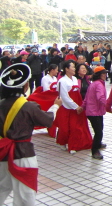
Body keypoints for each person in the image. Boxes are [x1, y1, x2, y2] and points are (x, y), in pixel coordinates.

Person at [0, 63, 62, 206]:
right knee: (25, 192)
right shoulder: (29, 106)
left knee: (2, 187)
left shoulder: (1, 104)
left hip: (3, 152)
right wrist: (56, 106)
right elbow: (47, 120)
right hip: (23, 153)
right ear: (25, 86)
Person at [54, 60, 93, 154]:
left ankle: (74, 145)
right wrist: (75, 106)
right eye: (72, 67)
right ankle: (63, 142)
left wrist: (80, 106)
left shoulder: (75, 79)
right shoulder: (62, 81)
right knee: (65, 128)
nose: (74, 69)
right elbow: (64, 96)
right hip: (67, 107)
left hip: (77, 104)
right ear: (66, 69)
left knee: (76, 127)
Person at [81, 66, 108, 160]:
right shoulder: (99, 85)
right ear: (99, 75)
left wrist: (82, 107)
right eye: (103, 73)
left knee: (100, 129)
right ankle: (95, 150)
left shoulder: (93, 84)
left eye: (105, 73)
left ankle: (98, 143)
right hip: (94, 111)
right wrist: (108, 106)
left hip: (93, 111)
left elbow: (86, 98)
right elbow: (100, 97)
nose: (105, 75)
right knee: (98, 131)